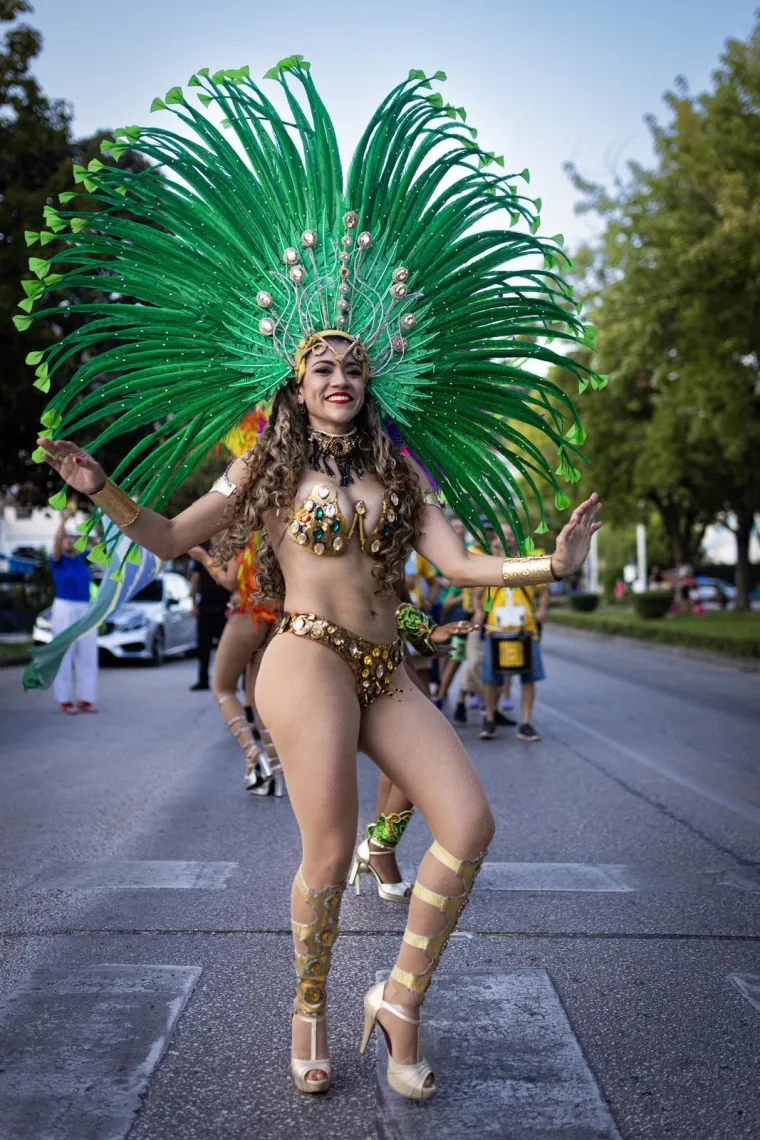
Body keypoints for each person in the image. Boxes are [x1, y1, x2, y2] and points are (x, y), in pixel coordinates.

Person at [31, 61, 602, 1100]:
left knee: (467, 823)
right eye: (321, 367)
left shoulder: (400, 464)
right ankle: (307, 1008)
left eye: (352, 366)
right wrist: (103, 489)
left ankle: (399, 1000)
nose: (339, 378)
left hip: (383, 664)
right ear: (297, 382)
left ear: (370, 377)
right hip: (302, 660)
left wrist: (546, 562)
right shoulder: (267, 464)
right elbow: (169, 536)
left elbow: (457, 561)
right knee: (330, 853)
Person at [188, 539, 281, 795]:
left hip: (248, 613)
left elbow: (229, 580)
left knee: (222, 687)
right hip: (276, 615)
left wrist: (202, 556)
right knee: (255, 697)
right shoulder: (274, 524)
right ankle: (275, 770)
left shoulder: (240, 531)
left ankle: (254, 757)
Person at [475, 540, 550, 741]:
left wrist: (541, 611)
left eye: (510, 534)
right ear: (495, 542)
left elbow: (543, 590)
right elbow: (477, 594)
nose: (506, 539)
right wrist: (478, 612)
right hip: (495, 630)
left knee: (529, 678)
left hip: (525, 630)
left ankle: (525, 723)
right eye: (502, 536)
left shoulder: (528, 564)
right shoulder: (488, 566)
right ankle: (489, 720)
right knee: (491, 679)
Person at [48, 506, 98, 714]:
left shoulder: (81, 559)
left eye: (72, 538)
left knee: (87, 653)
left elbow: (97, 545)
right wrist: (64, 521)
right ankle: (65, 699)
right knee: (64, 653)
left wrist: (90, 528)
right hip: (64, 608)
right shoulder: (58, 561)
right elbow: (56, 542)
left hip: (84, 608)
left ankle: (86, 698)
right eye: (66, 538)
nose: (69, 540)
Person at [189, 543, 230, 691]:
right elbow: (195, 579)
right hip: (205, 608)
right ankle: (203, 679)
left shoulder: (229, 551)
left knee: (227, 648)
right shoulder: (203, 553)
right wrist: (193, 603)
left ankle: (228, 682)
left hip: (226, 608)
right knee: (203, 647)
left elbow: (228, 581)